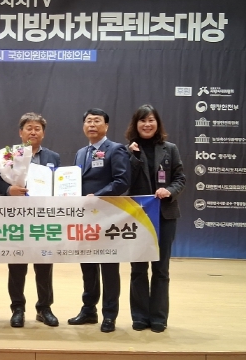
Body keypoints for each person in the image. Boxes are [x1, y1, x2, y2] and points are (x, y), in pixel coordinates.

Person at [0, 113, 61, 328]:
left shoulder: (53, 157)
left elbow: (59, 184)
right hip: (17, 220)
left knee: (44, 266)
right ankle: (17, 308)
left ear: (43, 133)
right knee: (16, 267)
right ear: (20, 132)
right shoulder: (8, 155)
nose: (33, 132)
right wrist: (8, 189)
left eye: (37, 128)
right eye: (29, 128)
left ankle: (44, 308)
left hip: (43, 221)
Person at [68, 108, 130, 333]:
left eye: (97, 121)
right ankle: (89, 310)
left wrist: (98, 196)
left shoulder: (115, 149)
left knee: (109, 268)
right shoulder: (80, 153)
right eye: (88, 121)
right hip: (85, 220)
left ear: (106, 126)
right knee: (87, 267)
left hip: (107, 219)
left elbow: (122, 181)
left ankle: (110, 315)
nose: (92, 125)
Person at [125, 104, 185, 333]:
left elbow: (180, 178)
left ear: (157, 123)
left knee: (161, 270)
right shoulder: (127, 151)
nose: (147, 124)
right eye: (142, 120)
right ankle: (140, 316)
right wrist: (133, 157)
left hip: (165, 216)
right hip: (137, 218)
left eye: (151, 120)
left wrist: (169, 190)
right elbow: (126, 182)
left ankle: (159, 317)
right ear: (136, 124)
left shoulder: (170, 149)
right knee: (138, 269)